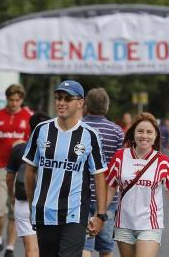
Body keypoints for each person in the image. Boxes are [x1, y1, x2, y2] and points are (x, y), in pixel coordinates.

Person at [23, 80, 108, 257]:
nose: (61, 102)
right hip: (44, 211)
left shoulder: (90, 135)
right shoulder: (41, 130)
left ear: (80, 102)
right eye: (58, 98)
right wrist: (33, 204)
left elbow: (99, 176)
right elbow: (30, 170)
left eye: (67, 98)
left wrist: (101, 215)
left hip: (74, 212)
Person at [106, 112, 169, 257]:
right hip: (123, 225)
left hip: (150, 226)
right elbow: (110, 188)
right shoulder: (120, 157)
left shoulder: (162, 162)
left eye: (149, 132)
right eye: (140, 131)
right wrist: (99, 214)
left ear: (156, 135)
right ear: (133, 133)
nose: (144, 136)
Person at [0, 83, 33, 257]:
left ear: (22, 100)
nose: (14, 103)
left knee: (15, 208)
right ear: (7, 99)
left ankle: (10, 247)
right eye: (11, 100)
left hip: (21, 169)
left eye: (17, 100)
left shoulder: (29, 116)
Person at [82, 88, 124, 257]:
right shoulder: (116, 131)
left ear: (86, 105)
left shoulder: (79, 127)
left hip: (81, 194)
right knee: (106, 248)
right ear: (107, 107)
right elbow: (120, 166)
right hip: (108, 197)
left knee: (84, 245)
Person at [6, 112, 50, 257]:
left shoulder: (19, 149)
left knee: (31, 248)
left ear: (29, 129)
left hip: (23, 200)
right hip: (50, 202)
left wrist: (11, 196)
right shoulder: (55, 151)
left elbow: (9, 178)